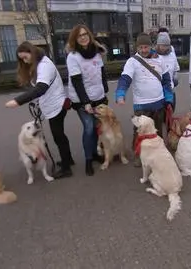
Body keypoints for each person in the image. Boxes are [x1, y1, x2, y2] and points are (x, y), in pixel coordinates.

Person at [5, 41, 73, 178]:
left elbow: (41, 88)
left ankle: (67, 168)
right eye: (22, 59)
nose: (25, 61)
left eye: (25, 57)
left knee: (58, 136)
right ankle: (68, 160)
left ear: (32, 52)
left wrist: (18, 101)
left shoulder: (44, 65)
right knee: (60, 136)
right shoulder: (38, 64)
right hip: (51, 105)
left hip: (57, 105)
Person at [115, 33, 173, 167]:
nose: (143, 50)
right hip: (141, 105)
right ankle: (138, 155)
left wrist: (168, 98)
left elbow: (166, 81)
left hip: (159, 102)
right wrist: (120, 94)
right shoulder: (132, 61)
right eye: (140, 47)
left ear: (151, 46)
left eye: (146, 47)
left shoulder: (160, 60)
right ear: (137, 47)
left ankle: (158, 153)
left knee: (157, 132)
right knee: (139, 133)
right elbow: (125, 79)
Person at [65, 24, 109, 176]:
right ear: (75, 39)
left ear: (89, 36)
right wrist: (86, 103)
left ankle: (95, 154)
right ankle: (88, 159)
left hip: (98, 96)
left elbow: (102, 72)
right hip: (82, 98)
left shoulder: (97, 53)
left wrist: (105, 91)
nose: (83, 37)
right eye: (79, 35)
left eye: (85, 34)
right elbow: (77, 81)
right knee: (89, 127)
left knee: (97, 126)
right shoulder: (73, 57)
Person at [155, 32, 180, 111]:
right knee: (160, 113)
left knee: (170, 111)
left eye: (166, 45)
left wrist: (175, 77)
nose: (164, 48)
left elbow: (176, 68)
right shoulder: (153, 56)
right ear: (158, 45)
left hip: (170, 88)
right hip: (158, 90)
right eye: (162, 45)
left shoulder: (172, 55)